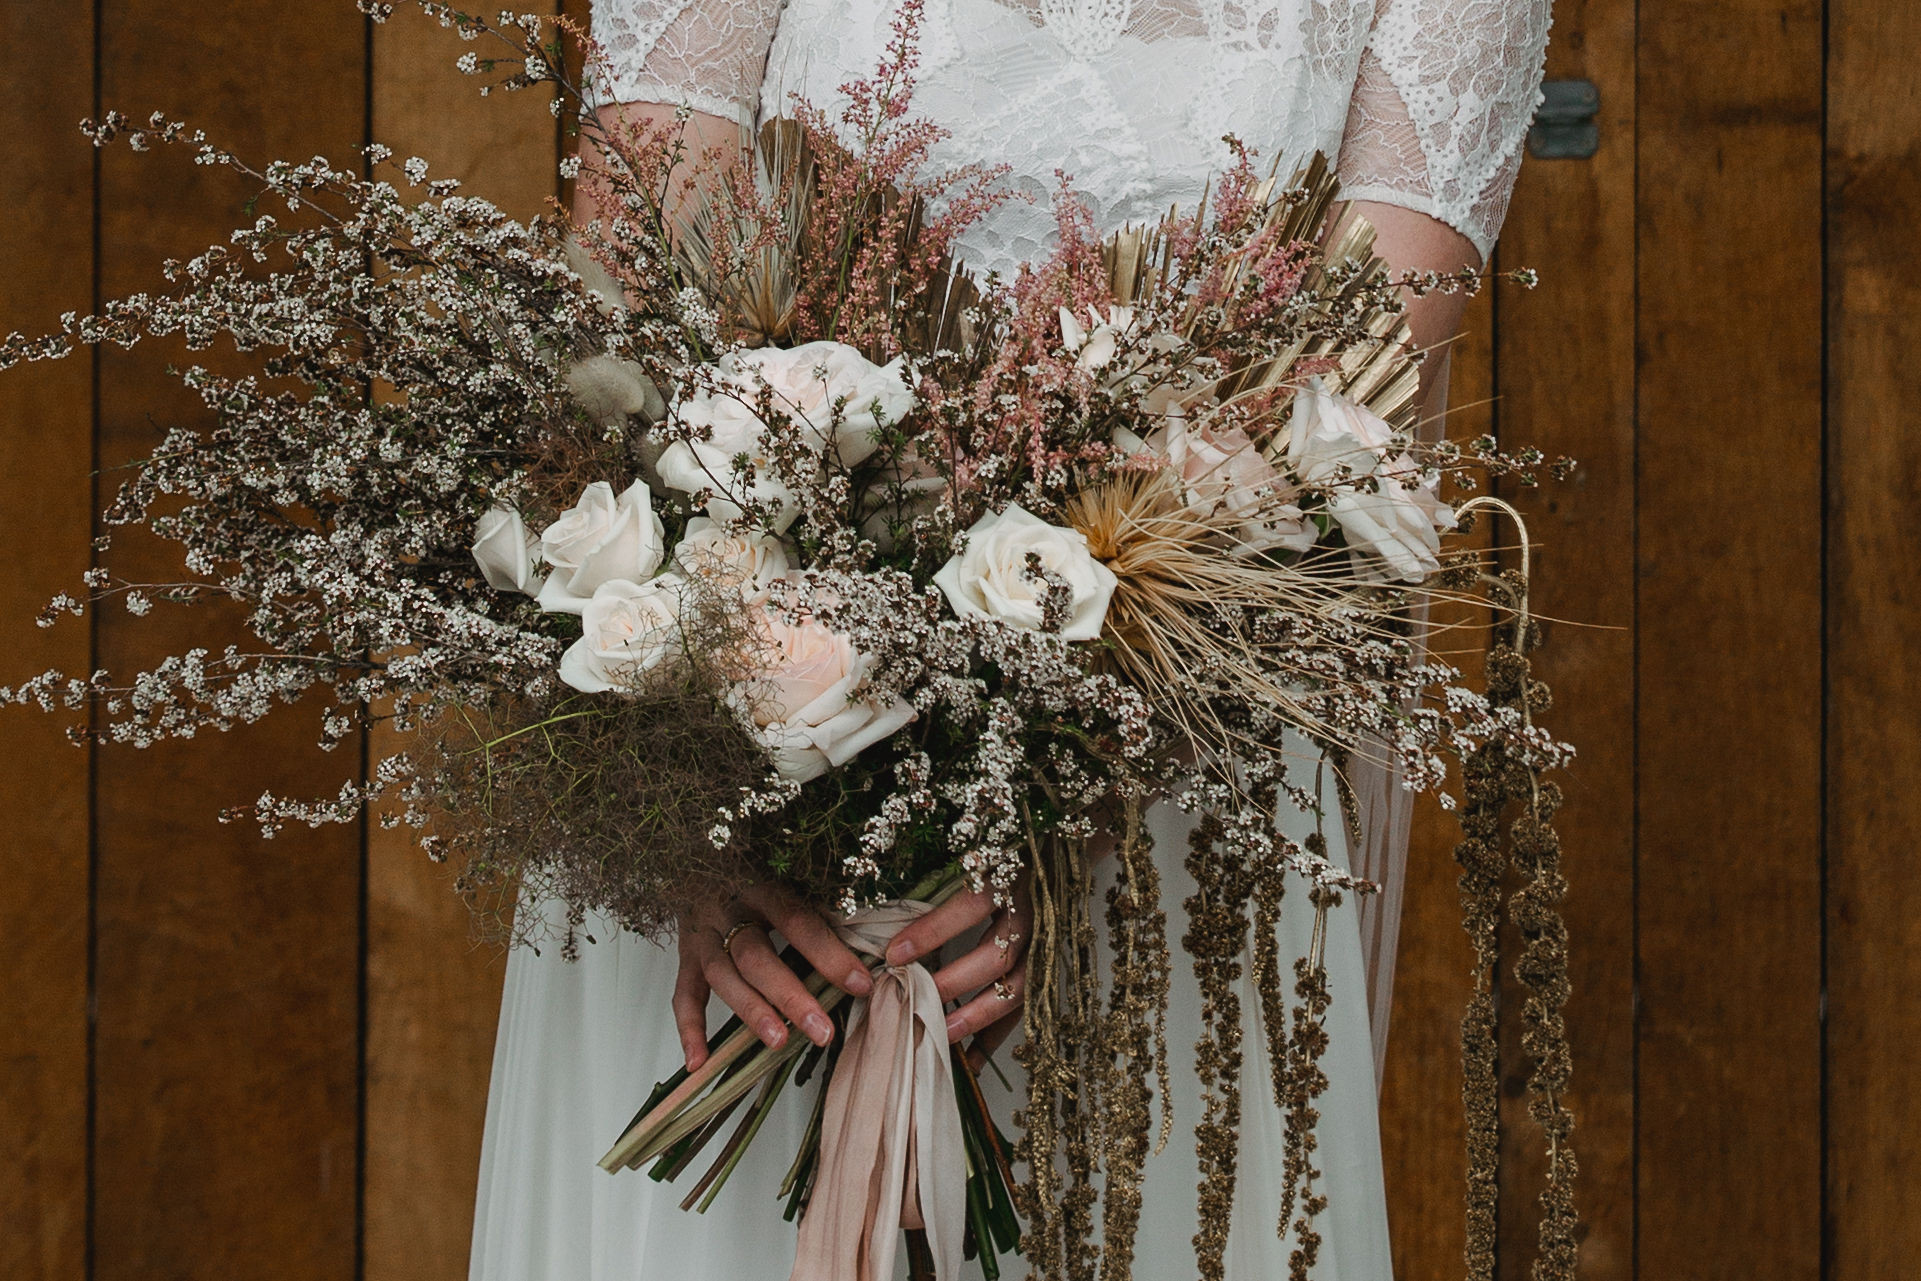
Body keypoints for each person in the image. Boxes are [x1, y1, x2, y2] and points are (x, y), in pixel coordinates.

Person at [470, 1, 1551, 1276]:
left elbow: (1331, 426)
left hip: (1160, 813)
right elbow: (624, 323)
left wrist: (1044, 818)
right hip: (737, 768)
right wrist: (687, 825)